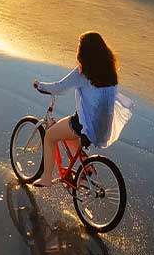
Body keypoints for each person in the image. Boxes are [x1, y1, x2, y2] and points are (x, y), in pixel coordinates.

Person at [31, 32, 125, 187]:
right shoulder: (110, 72)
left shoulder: (84, 72)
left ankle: (46, 178)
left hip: (85, 125)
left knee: (49, 136)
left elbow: (59, 88)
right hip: (103, 126)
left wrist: (39, 86)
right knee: (68, 134)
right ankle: (86, 168)